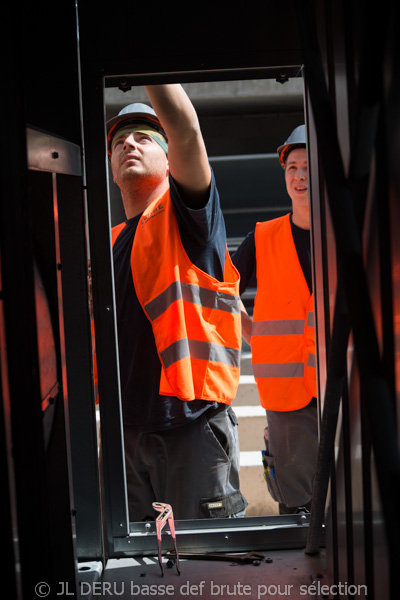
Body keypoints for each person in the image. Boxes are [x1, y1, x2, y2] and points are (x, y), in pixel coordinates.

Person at [105, 84, 247, 521]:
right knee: (134, 573)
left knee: (207, 569)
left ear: (170, 160)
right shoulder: (111, 243)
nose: (129, 143)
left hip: (190, 426)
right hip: (127, 434)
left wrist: (146, 49)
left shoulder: (187, 217)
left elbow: (186, 131)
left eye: (144, 137)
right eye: (119, 142)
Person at [232, 124, 318, 514]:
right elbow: (222, 290)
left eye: (308, 166)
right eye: (292, 168)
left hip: (348, 387)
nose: (299, 176)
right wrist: (255, 335)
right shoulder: (263, 238)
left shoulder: (351, 235)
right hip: (287, 394)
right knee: (296, 501)